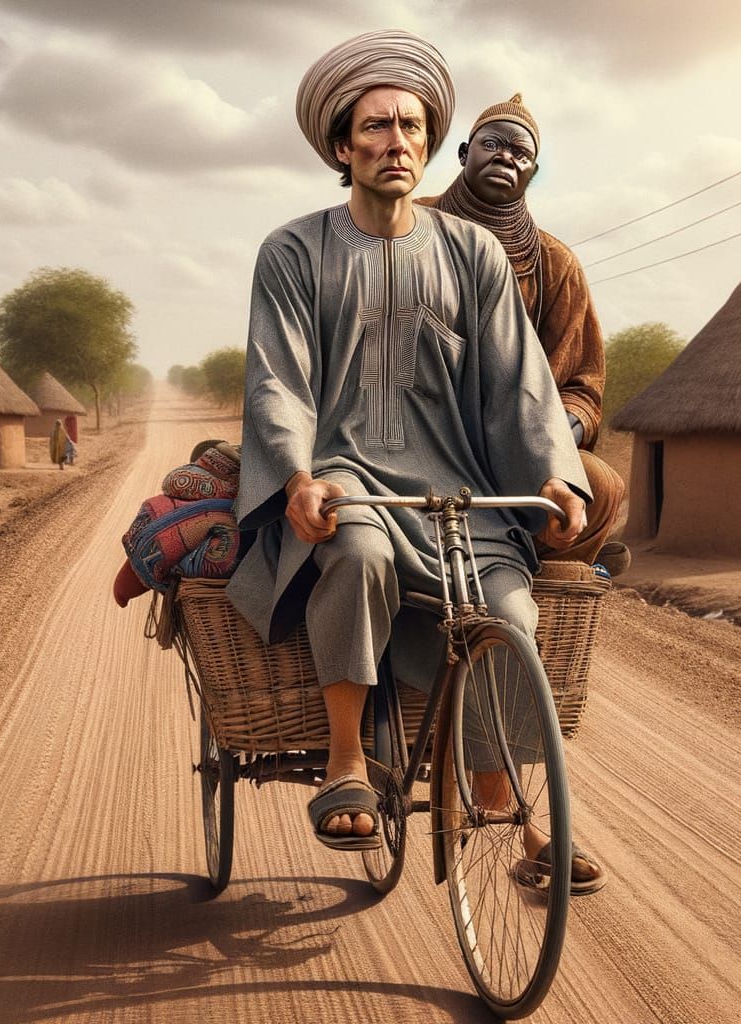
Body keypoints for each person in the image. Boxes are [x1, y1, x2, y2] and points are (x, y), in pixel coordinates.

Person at [227, 29, 605, 891]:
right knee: (356, 554)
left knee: (513, 617)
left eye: (409, 127)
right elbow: (276, 380)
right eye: (374, 128)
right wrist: (297, 477)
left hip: (462, 489)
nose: (394, 142)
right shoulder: (293, 252)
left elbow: (520, 379)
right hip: (344, 476)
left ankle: (502, 801)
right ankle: (347, 761)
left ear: (430, 143)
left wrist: (553, 471)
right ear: (340, 146)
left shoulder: (472, 254)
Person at [417, 94, 625, 568]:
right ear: (464, 153)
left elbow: (582, 388)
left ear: (532, 173)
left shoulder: (555, 264)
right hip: (410, 432)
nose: (506, 157)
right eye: (493, 144)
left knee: (599, 486)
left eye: (521, 153)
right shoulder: (409, 227)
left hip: (514, 450)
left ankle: (525, 591)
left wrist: (544, 443)